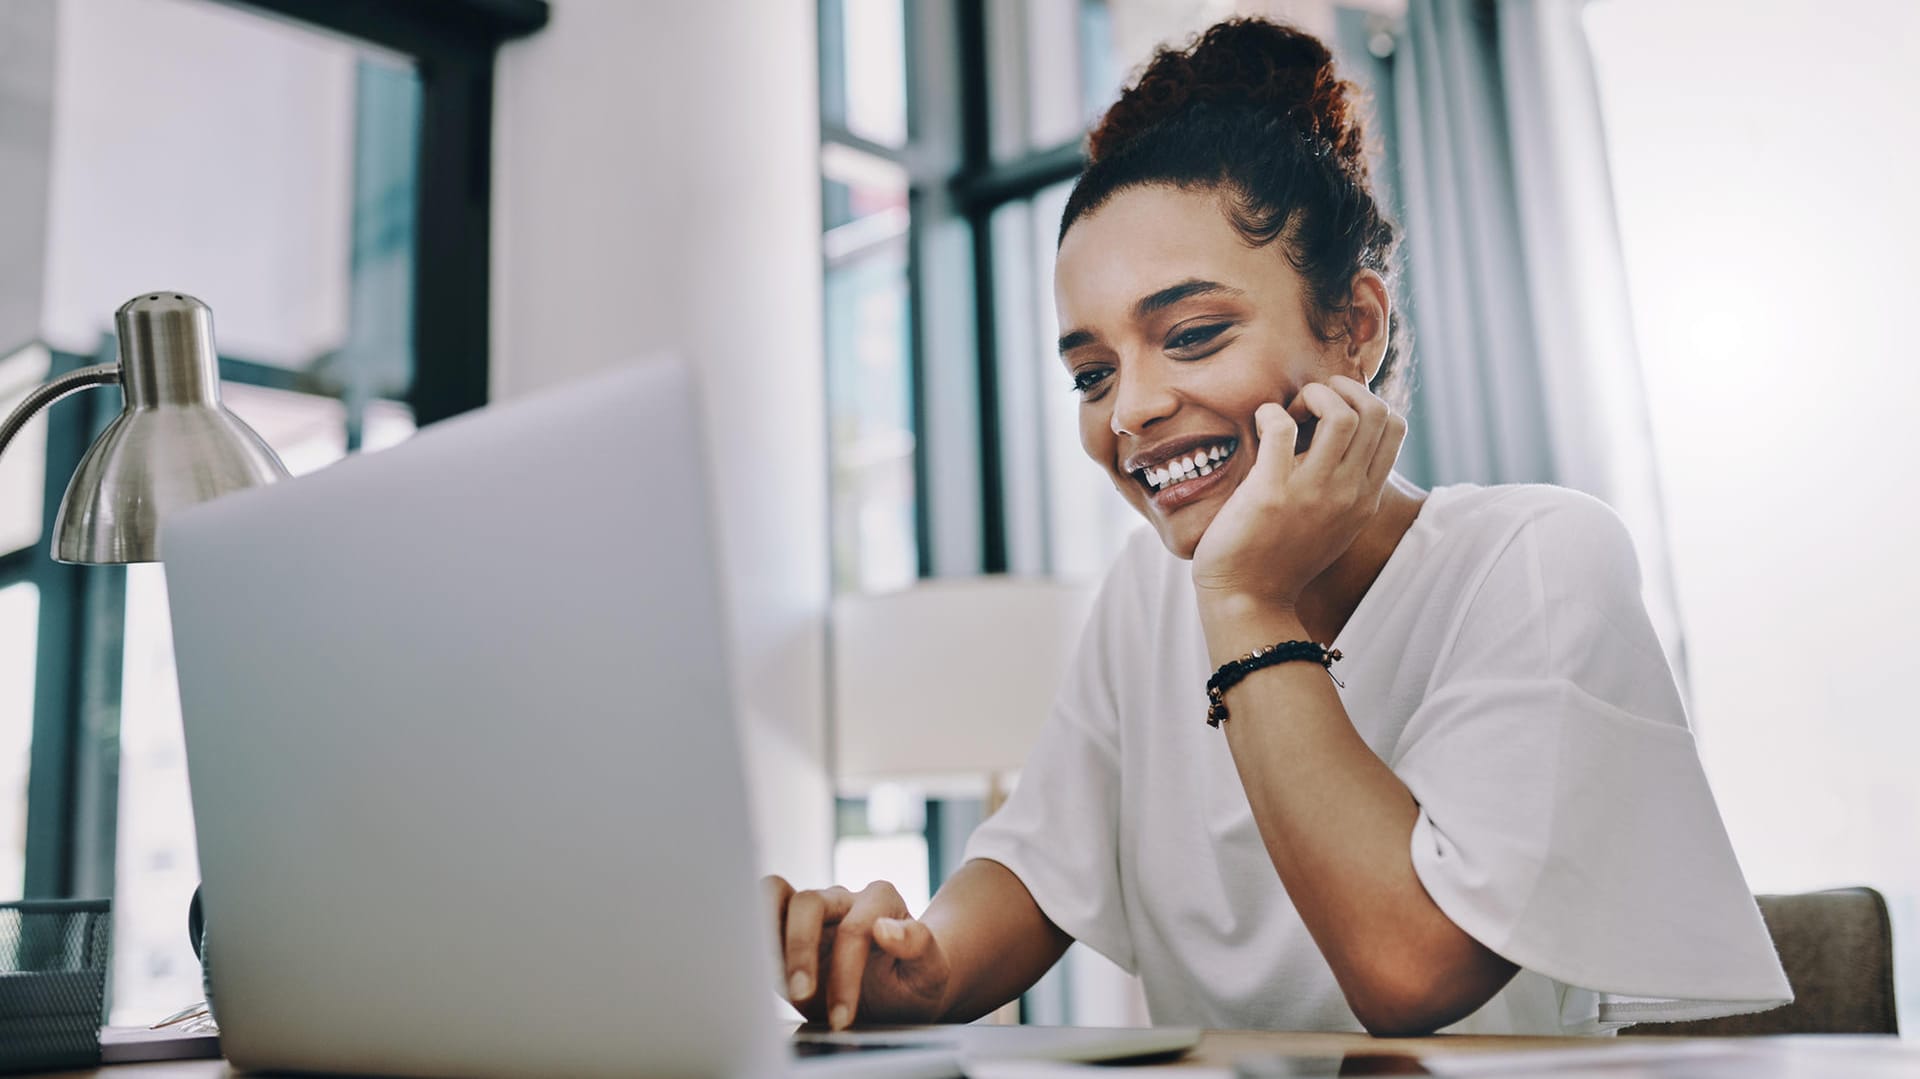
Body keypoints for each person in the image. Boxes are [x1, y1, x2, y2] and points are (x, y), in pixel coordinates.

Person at [765, 17, 1790, 1036]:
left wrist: (1248, 599)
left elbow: (1410, 967)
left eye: (1194, 334)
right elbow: (1031, 867)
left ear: (1354, 328)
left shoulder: (1535, 559)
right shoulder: (1144, 594)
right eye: (1092, 372)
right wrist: (905, 965)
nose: (1129, 412)